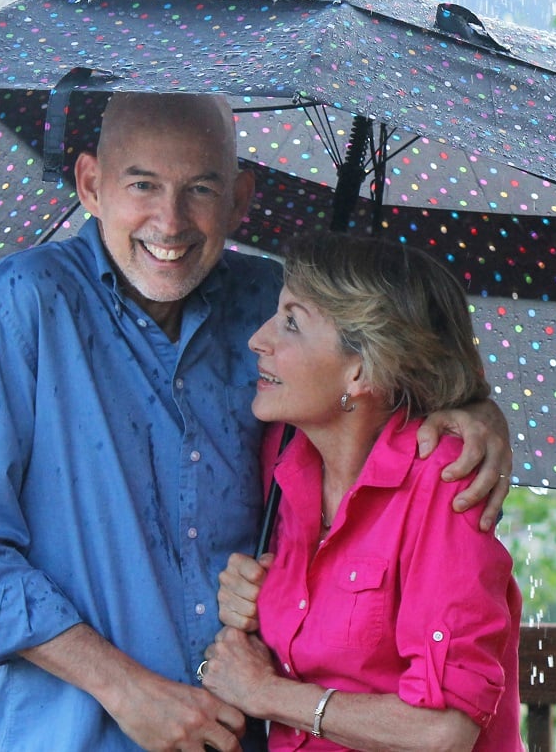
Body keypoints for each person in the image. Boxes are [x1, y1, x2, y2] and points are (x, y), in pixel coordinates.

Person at [0, 92, 514, 752]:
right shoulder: (16, 310)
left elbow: (385, 373)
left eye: (199, 189)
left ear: (241, 197)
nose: (170, 222)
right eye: (142, 184)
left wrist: (475, 411)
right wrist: (125, 688)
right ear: (91, 183)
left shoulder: (270, 305)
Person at [199, 233, 523, 751]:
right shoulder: (283, 460)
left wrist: (266, 693)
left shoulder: (443, 482)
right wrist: (252, 596)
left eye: (291, 322)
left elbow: (443, 732)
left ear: (361, 370)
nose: (258, 339)